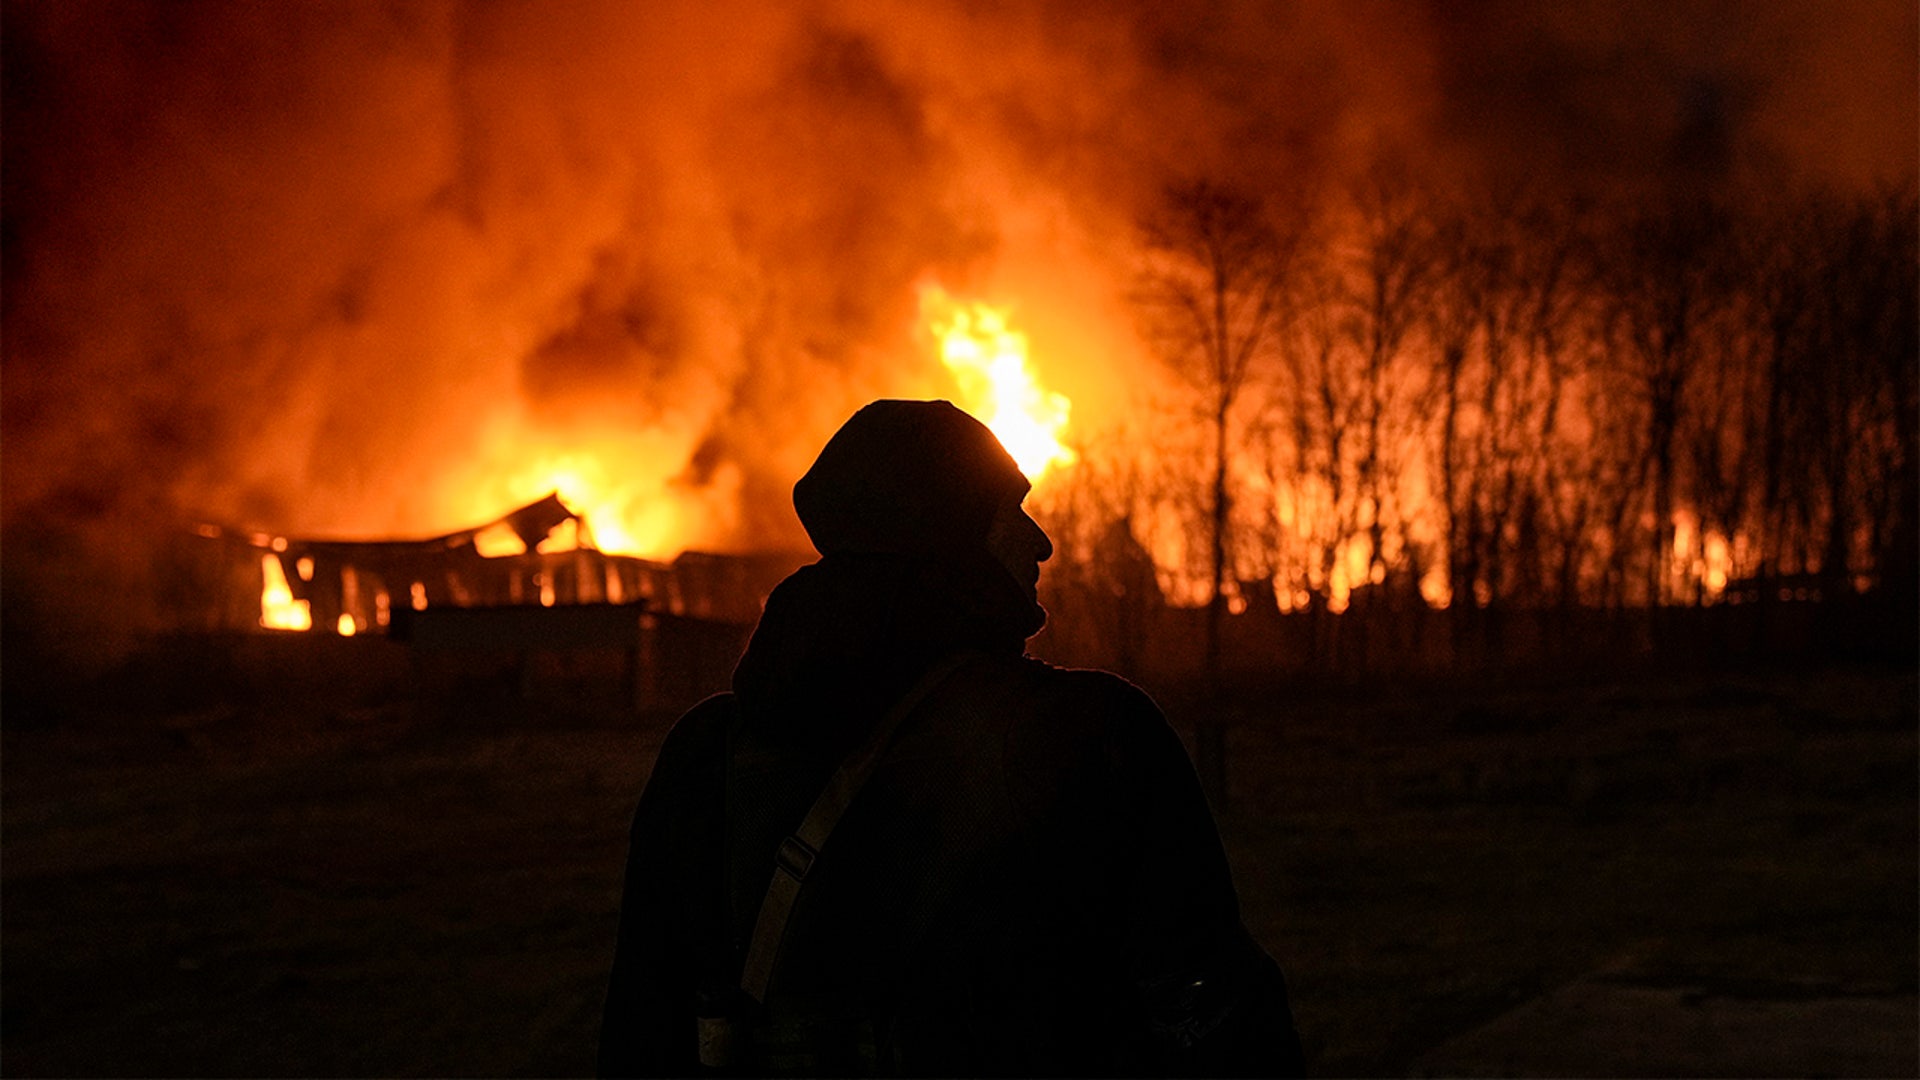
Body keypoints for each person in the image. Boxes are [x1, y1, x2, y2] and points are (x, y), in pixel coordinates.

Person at [597, 399, 1304, 1077]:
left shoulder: (706, 757)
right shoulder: (1094, 738)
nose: (1041, 542)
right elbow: (1216, 1018)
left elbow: (642, 1038)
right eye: (1008, 511)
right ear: (945, 533)